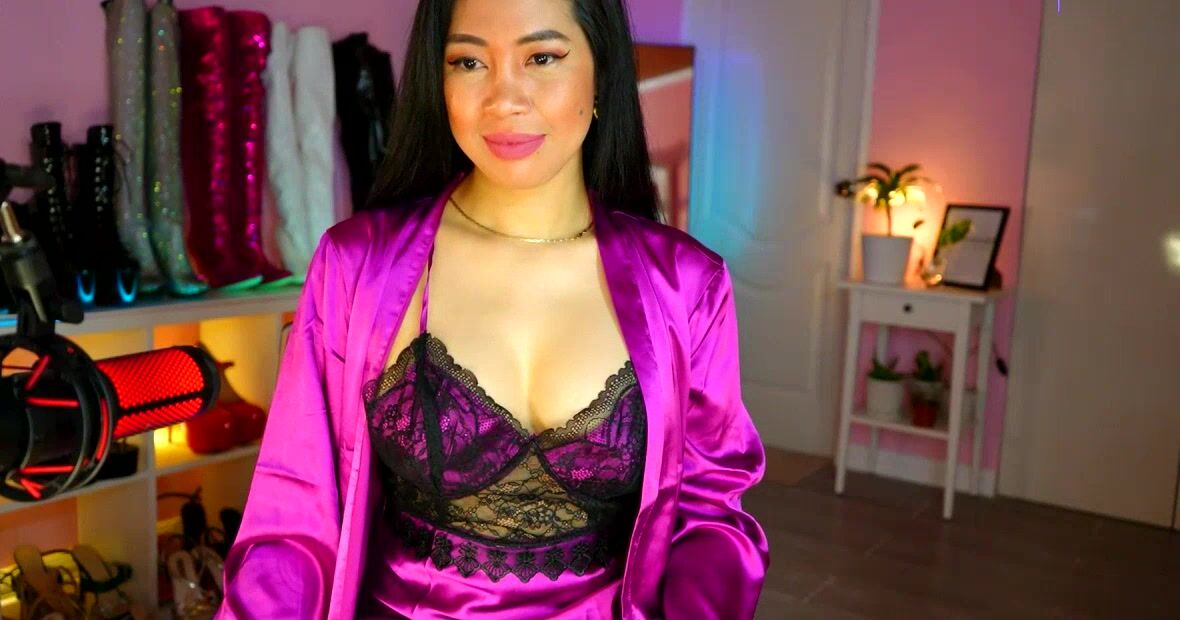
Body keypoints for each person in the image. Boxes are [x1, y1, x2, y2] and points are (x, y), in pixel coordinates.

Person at [217, 0, 768, 618]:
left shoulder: (686, 285)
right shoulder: (358, 266)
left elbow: (709, 512)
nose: (504, 100)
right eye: (469, 62)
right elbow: (293, 519)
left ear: (602, 73)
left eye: (542, 57)